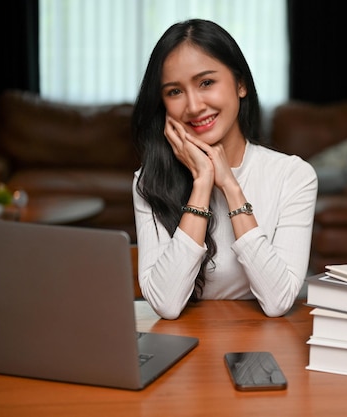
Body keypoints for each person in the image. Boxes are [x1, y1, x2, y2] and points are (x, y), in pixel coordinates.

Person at [132, 19, 318, 320]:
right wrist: (202, 184)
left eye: (206, 83)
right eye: (175, 92)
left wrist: (231, 187)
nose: (193, 106)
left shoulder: (293, 176)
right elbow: (166, 304)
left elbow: (278, 300)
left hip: (261, 346)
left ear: (240, 84)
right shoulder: (149, 181)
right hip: (185, 345)